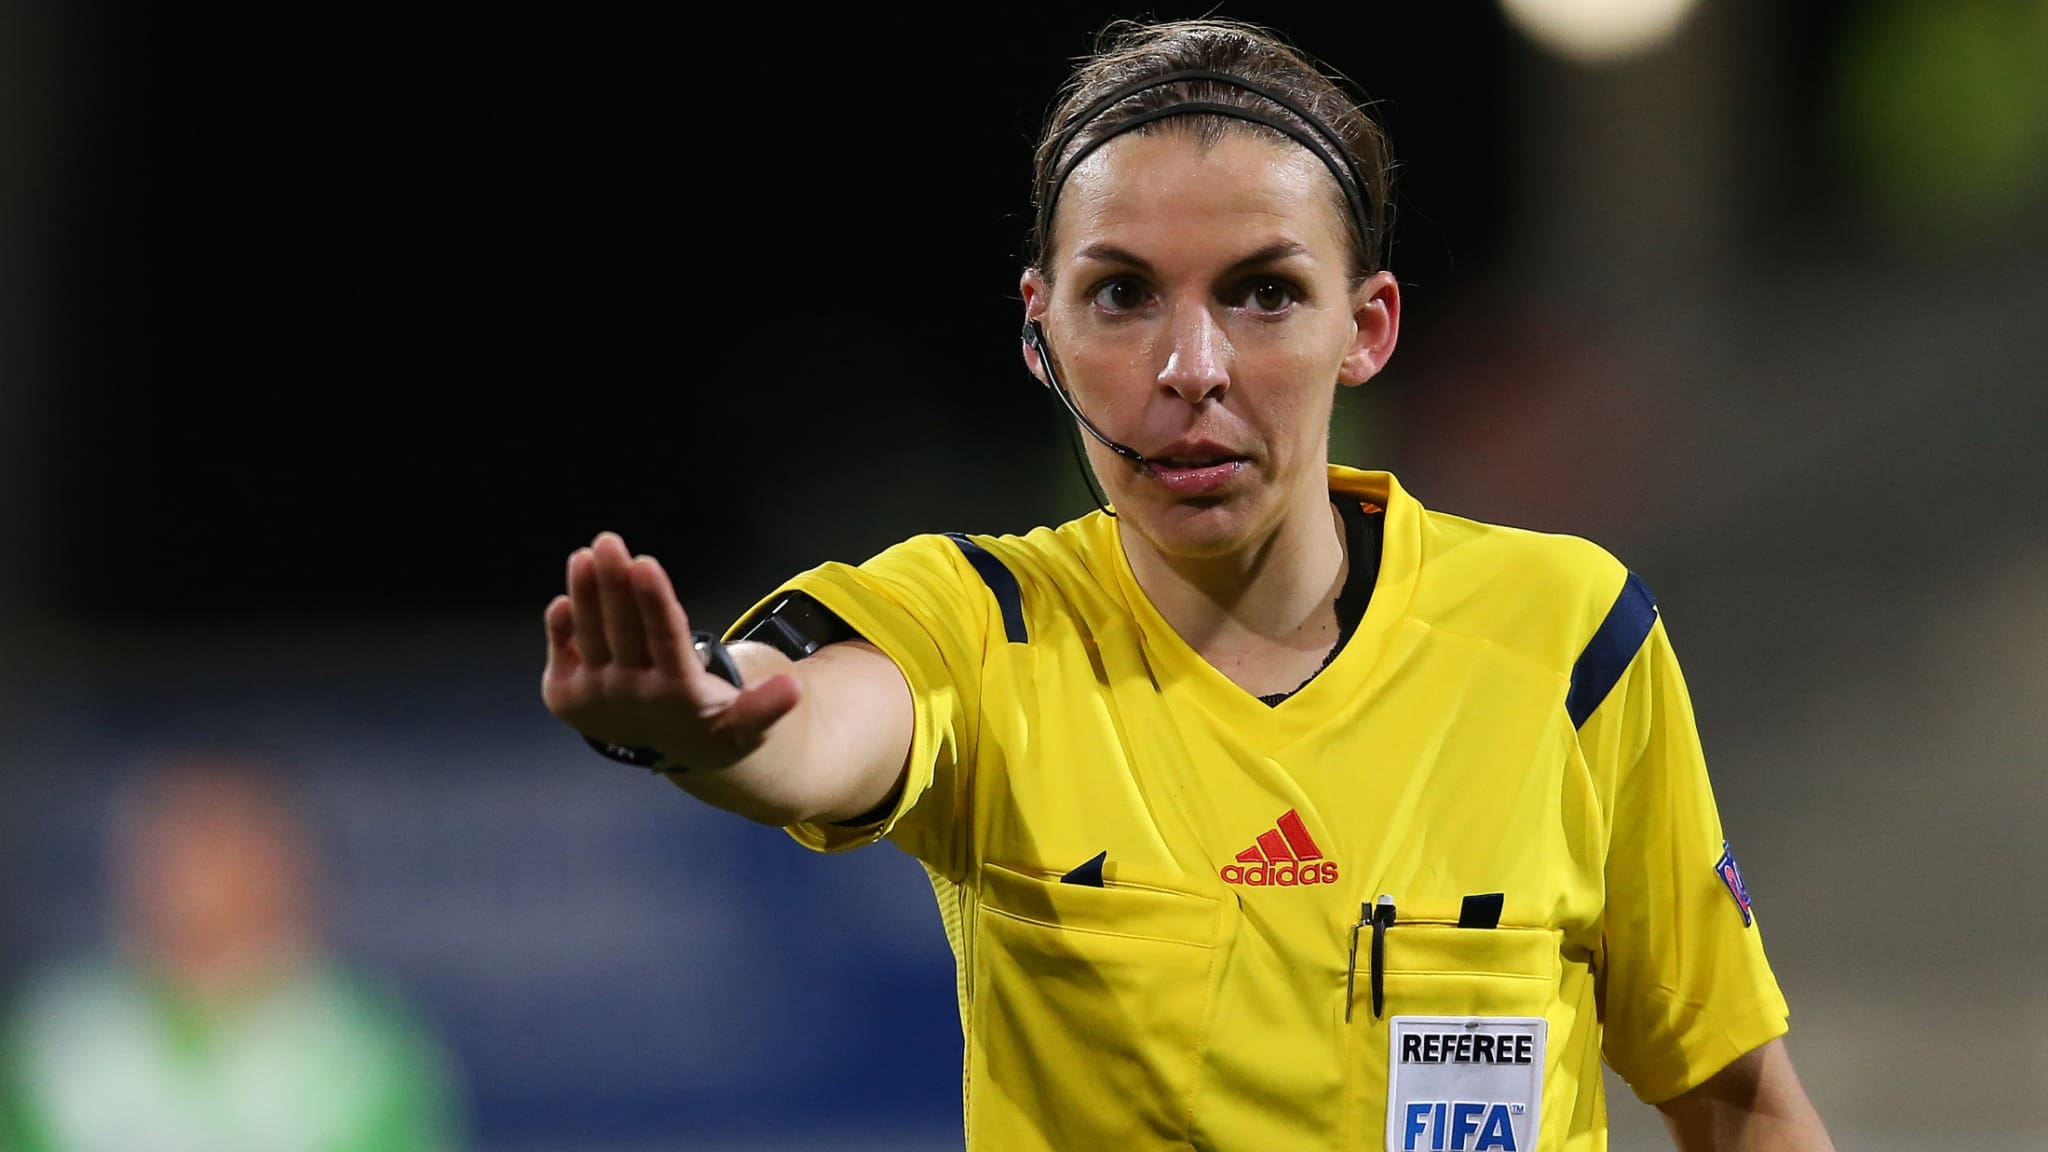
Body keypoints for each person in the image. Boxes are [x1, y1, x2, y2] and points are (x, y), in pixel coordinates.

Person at [542, 16, 1835, 1151]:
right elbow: (815, 725)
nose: (1192, 366)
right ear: (1041, 333)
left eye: (1264, 292)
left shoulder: (1567, 635)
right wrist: (706, 727)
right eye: (1122, 296)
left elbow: (1740, 1106)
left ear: (1365, 327)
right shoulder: (982, 627)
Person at [0, 753, 467, 1152]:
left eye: (210, 836)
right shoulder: (55, 1033)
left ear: (283, 862)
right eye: (162, 839)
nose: (181, 869)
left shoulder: (361, 1049)